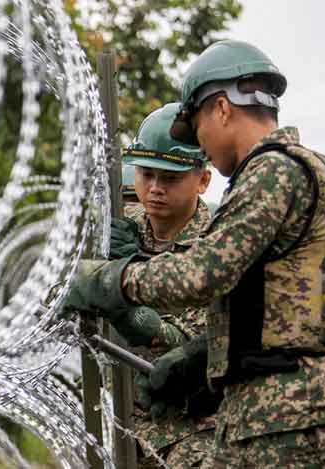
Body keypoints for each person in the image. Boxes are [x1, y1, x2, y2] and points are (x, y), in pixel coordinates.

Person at [63, 39, 325, 467]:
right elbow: (282, 305)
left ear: (221, 109)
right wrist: (197, 356)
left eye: (197, 128)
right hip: (284, 412)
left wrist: (107, 281)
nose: (201, 142)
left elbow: (204, 272)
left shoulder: (273, 170)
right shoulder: (308, 171)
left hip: (284, 414)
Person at [92, 103, 215, 467]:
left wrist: (126, 294)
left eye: (171, 178)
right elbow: (63, 296)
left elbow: (196, 347)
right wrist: (100, 260)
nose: (155, 189)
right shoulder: (117, 225)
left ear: (203, 180)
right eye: (147, 175)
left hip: (188, 433)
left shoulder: (220, 244)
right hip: (119, 426)